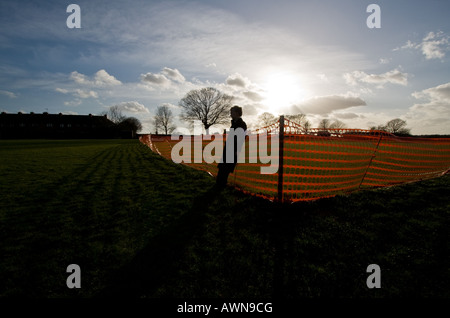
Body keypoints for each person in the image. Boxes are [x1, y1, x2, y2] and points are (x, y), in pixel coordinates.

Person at [216, 105, 247, 189]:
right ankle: (219, 186)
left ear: (237, 113)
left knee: (225, 169)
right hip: (228, 150)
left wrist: (236, 150)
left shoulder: (242, 124)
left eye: (232, 112)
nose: (230, 114)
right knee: (222, 168)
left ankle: (220, 187)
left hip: (233, 151)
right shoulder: (234, 123)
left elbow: (241, 139)